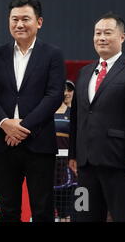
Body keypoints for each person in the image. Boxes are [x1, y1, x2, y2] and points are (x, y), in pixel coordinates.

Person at [0, 0, 65, 222]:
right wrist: (5, 124)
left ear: (39, 22)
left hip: (39, 143)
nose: (19, 24)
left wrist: (22, 127)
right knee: (7, 210)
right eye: (14, 19)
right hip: (4, 143)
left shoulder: (53, 55)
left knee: (42, 210)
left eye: (25, 19)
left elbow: (54, 96)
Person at [68, 12, 125, 222]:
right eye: (97, 33)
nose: (101, 37)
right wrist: (73, 154)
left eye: (107, 33)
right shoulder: (85, 72)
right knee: (83, 215)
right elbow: (77, 117)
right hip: (85, 165)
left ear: (122, 37)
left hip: (120, 163)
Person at [54, 80, 77, 222]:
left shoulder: (73, 114)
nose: (66, 93)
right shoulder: (44, 113)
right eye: (63, 90)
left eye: (69, 90)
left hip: (66, 166)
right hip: (47, 166)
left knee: (66, 210)